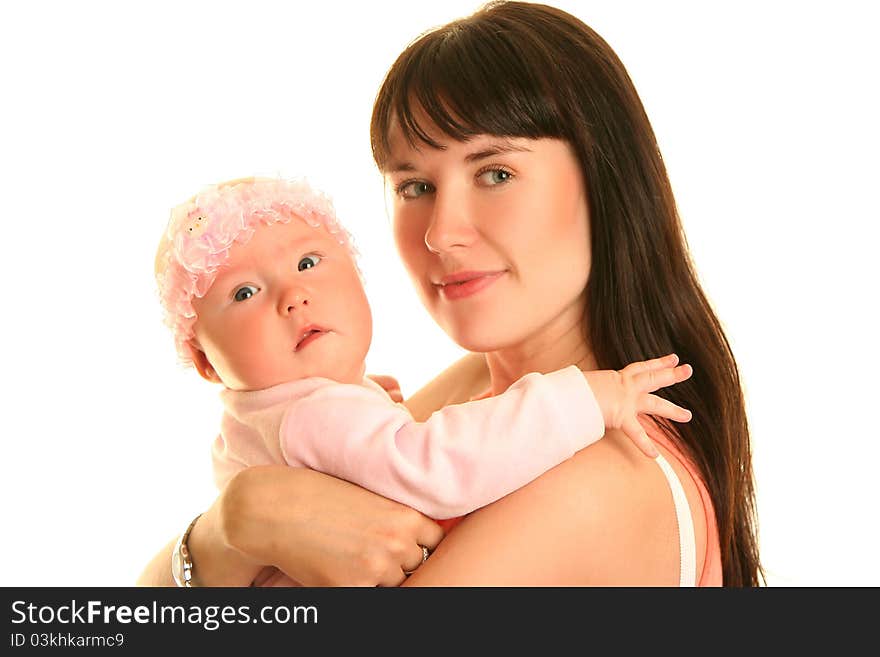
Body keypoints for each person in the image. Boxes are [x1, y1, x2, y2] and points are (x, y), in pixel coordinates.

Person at [138, 0, 762, 587]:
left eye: (496, 173)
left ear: (605, 183)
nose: (441, 233)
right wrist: (230, 530)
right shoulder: (473, 397)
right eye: (414, 187)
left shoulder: (599, 477)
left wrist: (246, 524)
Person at [153, 175, 693, 586]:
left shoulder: (603, 481)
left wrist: (229, 532)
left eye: (309, 261)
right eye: (244, 294)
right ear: (205, 362)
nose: (293, 296)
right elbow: (439, 463)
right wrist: (584, 398)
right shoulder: (322, 415)